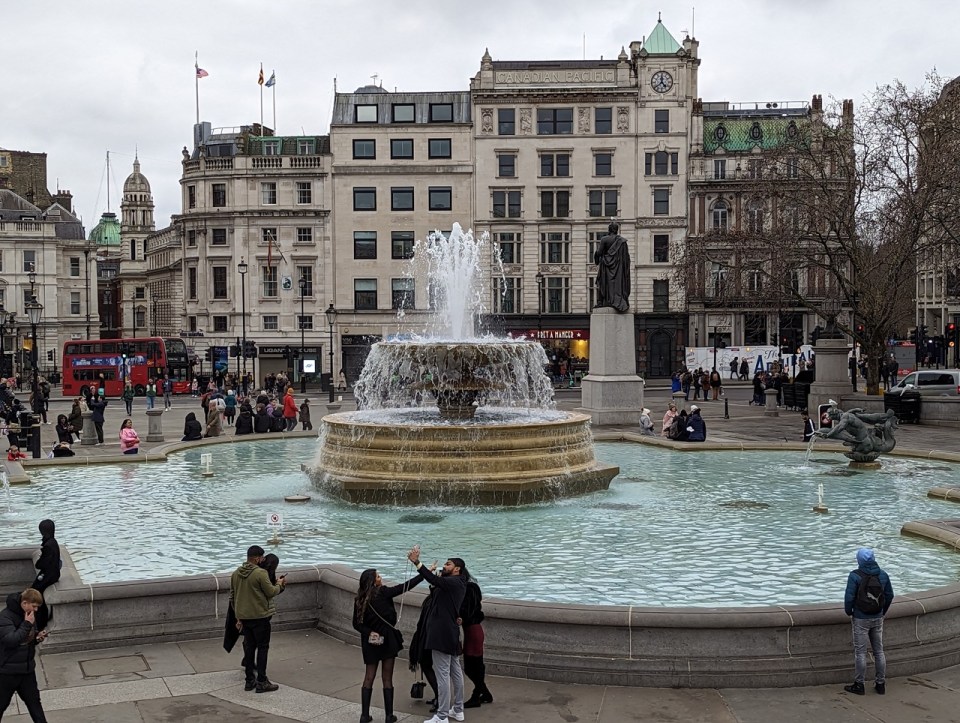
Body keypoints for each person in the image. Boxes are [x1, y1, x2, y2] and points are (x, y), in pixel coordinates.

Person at [353, 568, 424, 723]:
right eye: (378, 576)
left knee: (368, 677)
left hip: (370, 641)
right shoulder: (383, 592)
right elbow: (405, 586)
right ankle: (388, 716)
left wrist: (370, 632)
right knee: (387, 678)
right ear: (373, 581)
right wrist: (424, 574)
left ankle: (364, 716)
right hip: (388, 640)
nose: (381, 577)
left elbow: (356, 624)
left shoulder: (359, 598)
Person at [407, 547, 466, 723]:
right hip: (450, 633)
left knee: (443, 675)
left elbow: (432, 579)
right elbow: (436, 587)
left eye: (448, 564)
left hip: (441, 635)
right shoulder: (456, 583)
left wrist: (417, 562)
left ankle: (442, 716)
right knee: (455, 672)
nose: (445, 566)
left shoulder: (454, 582)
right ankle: (458, 709)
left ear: (457, 569)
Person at [230, 545, 286, 694]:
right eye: (261, 557)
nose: (262, 560)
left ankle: (249, 681)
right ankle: (262, 681)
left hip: (245, 618)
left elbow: (233, 597)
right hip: (260, 617)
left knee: (249, 648)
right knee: (262, 648)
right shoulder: (260, 573)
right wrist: (280, 585)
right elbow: (271, 592)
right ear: (256, 558)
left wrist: (238, 617)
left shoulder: (236, 573)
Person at [843, 547, 894, 696]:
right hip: (877, 617)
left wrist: (849, 612)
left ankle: (859, 684)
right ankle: (880, 684)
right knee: (879, 651)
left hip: (860, 618)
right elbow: (890, 595)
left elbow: (849, 598)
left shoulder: (855, 576)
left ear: (859, 560)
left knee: (860, 653)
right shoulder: (883, 575)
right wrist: (882, 612)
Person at [0, 588, 49, 722]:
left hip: (27, 670)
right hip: (7, 672)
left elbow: (26, 639)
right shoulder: (5, 617)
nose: (36, 610)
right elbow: (11, 640)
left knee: (35, 704)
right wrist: (27, 624)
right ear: (25, 603)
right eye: (34, 606)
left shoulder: (29, 614)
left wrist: (37, 637)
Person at [458, 561, 493, 710]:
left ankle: (477, 695)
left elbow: (470, 608)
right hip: (471, 630)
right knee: (473, 666)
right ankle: (484, 693)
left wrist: (462, 617)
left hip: (473, 631)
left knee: (473, 666)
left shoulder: (470, 588)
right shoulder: (469, 586)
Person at [593, 221, 631, 312]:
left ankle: (601, 302)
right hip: (618, 269)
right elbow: (626, 258)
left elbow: (599, 252)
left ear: (609, 229)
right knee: (618, 284)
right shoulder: (622, 241)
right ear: (617, 230)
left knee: (603, 283)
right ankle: (619, 299)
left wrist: (596, 255)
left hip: (606, 267)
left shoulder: (604, 239)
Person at [31, 520, 60, 633]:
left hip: (48, 575)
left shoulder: (48, 545)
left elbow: (42, 563)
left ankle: (40, 621)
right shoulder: (53, 542)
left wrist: (39, 562)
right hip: (52, 574)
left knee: (35, 593)